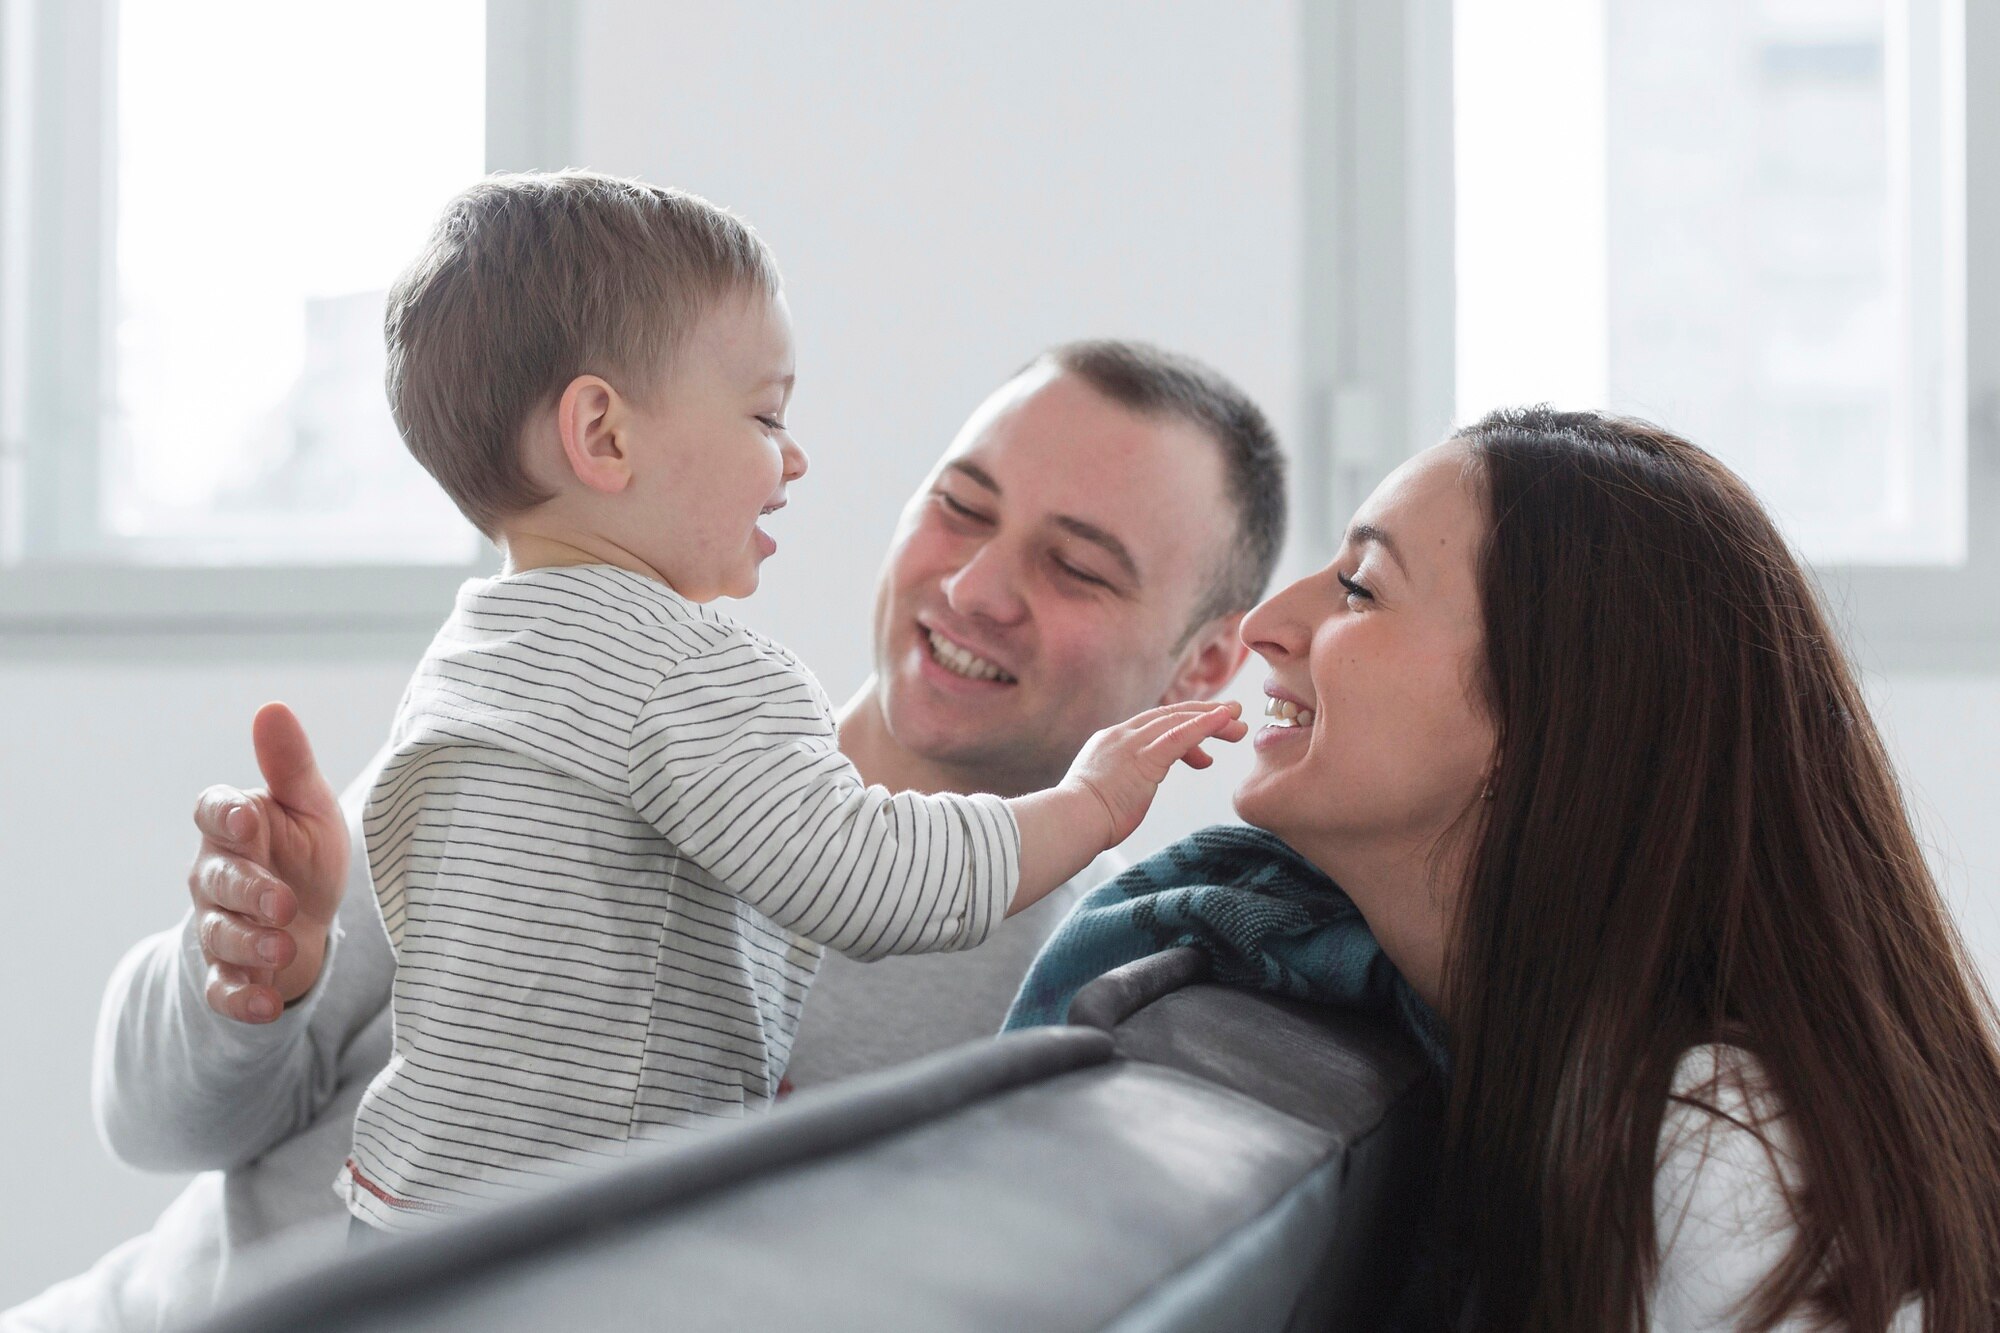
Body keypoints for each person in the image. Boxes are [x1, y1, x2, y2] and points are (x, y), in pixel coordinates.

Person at [7, 336, 1284, 1314]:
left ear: (1199, 665)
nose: (972, 586)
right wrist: (241, 983)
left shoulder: (1089, 993)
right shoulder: (579, 704)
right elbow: (155, 1125)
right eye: (960, 503)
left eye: (1076, 566)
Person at [331, 172, 1245, 1232]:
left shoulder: (474, 655)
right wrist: (1087, 808)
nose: (794, 457)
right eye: (766, 415)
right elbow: (862, 877)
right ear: (605, 436)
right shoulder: (692, 669)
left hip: (401, 1218)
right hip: (585, 1245)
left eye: (1076, 567)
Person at [1207, 406, 1996, 1328]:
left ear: (1552, 719)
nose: (1265, 624)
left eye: (1361, 588)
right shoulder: (1595, 1088)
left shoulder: (1729, 1161)